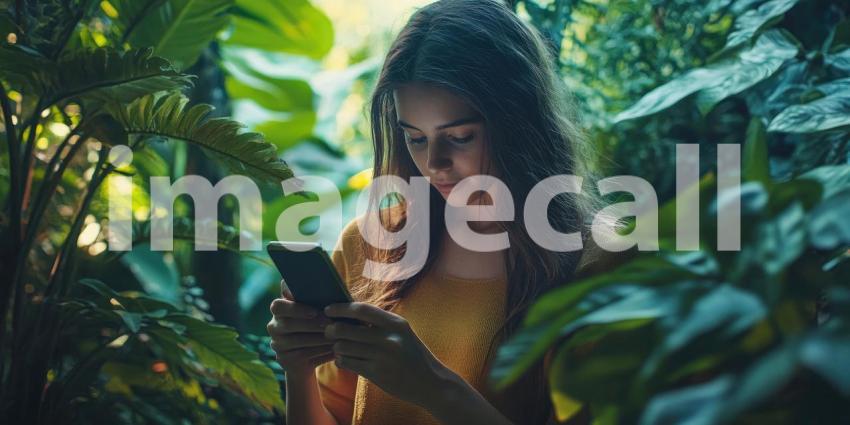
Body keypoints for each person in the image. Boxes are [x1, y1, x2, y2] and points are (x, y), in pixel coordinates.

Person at [267, 1, 626, 423]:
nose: (434, 163)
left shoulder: (599, 263)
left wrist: (434, 388)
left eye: (459, 136)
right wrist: (298, 369)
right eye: (416, 139)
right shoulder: (371, 244)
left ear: (519, 123)